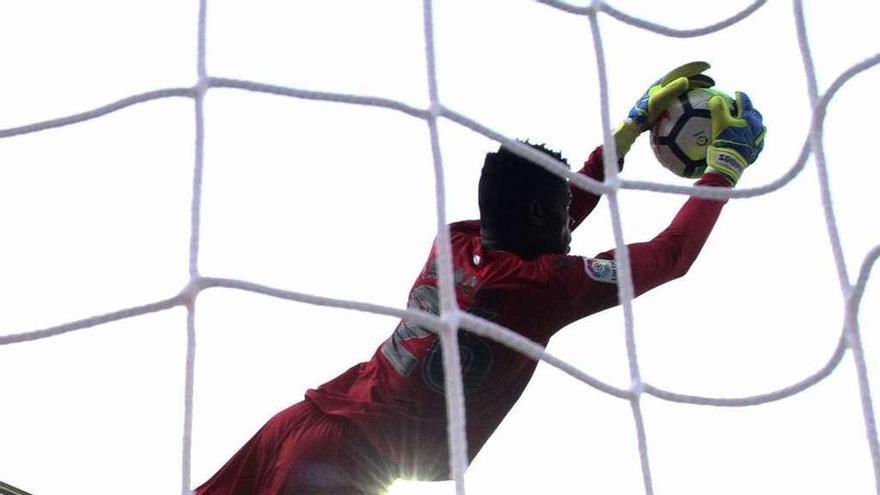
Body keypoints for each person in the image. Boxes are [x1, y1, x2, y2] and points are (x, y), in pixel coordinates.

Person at [195, 61, 766, 495]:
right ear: (542, 217)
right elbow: (670, 255)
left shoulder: (457, 239)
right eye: (564, 217)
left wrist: (630, 130)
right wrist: (723, 169)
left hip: (300, 425)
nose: (574, 227)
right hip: (343, 467)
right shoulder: (542, 287)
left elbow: (546, 210)